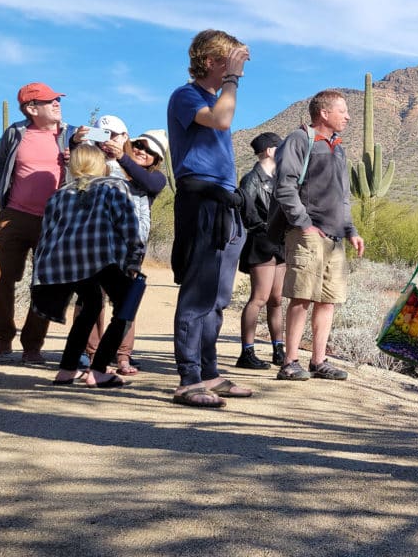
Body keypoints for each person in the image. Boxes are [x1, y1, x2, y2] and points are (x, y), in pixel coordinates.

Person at [167, 29, 253, 408]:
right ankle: (188, 379)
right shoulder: (186, 96)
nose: (239, 70)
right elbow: (220, 120)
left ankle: (209, 372)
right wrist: (231, 80)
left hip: (224, 202)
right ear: (209, 61)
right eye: (230, 60)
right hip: (201, 199)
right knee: (197, 293)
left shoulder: (213, 98)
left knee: (218, 296)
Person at [30, 144, 143, 388]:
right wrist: (135, 257)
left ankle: (67, 369)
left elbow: (47, 234)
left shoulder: (59, 194)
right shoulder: (113, 186)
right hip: (102, 257)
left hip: (66, 263)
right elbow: (129, 226)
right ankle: (98, 370)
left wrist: (41, 270)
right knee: (126, 306)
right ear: (99, 165)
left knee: (90, 305)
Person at [274, 90, 365, 382]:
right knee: (302, 296)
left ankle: (319, 360)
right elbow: (285, 186)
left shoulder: (338, 147)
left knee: (328, 300)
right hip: (308, 233)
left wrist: (350, 229)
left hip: (335, 237)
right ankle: (290, 362)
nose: (348, 116)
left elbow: (344, 196)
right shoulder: (300, 140)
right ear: (324, 113)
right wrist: (304, 223)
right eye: (343, 111)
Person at [0, 82, 74, 364]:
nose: (57, 103)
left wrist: (73, 160)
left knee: (44, 282)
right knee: (0, 276)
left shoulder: (70, 135)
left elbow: (89, 169)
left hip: (54, 219)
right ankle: (2, 338)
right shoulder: (16, 133)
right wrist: (5, 193)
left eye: (57, 99)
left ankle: (32, 346)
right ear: (32, 109)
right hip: (15, 215)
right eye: (50, 101)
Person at [83, 127, 169, 375]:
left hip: (130, 246)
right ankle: (91, 354)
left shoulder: (156, 179)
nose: (143, 151)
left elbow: (148, 182)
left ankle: (122, 355)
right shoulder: (108, 166)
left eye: (150, 151)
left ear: (157, 159)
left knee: (126, 302)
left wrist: (123, 156)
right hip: (99, 242)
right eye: (140, 145)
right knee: (92, 299)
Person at [235, 132, 286, 369]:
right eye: (279, 147)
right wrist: (267, 228)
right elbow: (247, 212)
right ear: (269, 151)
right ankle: (247, 352)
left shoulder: (281, 179)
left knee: (276, 299)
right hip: (261, 242)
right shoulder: (250, 179)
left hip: (280, 243)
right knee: (260, 298)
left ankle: (279, 349)